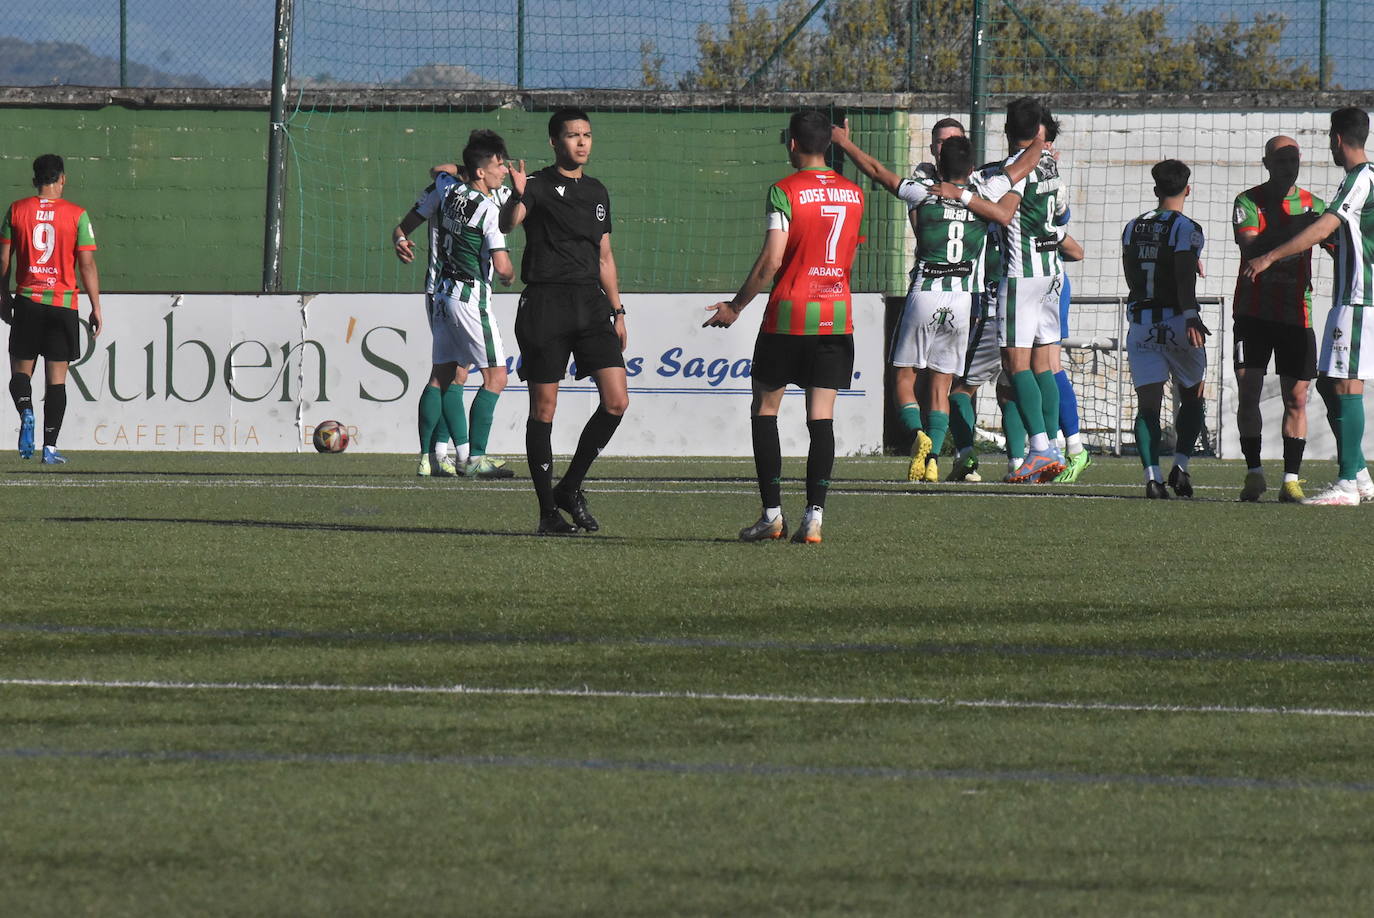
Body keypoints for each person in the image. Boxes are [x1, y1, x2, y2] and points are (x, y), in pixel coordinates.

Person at [831, 118, 1039, 481]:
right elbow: (1020, 167)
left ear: (938, 166)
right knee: (942, 384)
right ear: (972, 168)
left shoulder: (922, 192)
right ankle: (934, 461)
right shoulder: (984, 194)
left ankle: (919, 437)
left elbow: (878, 171)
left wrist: (845, 144)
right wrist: (1039, 140)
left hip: (926, 291)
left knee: (902, 377)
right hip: (962, 302)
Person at [704, 109, 864, 544]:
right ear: (828, 143)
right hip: (835, 319)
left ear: (792, 144)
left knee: (765, 411)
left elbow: (773, 260)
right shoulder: (854, 194)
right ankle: (815, 517)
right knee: (822, 419)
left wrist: (737, 305)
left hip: (788, 317)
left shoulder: (784, 191)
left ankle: (772, 515)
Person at [499, 108, 628, 534]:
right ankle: (546, 513)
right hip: (545, 305)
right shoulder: (533, 184)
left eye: (587, 135)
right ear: (554, 142)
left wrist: (618, 310)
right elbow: (507, 224)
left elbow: (604, 256)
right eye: (573, 135)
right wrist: (517, 196)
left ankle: (570, 487)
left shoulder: (597, 191)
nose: (582, 142)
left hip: (591, 305)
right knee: (544, 408)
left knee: (616, 401)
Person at [1244, 106, 1374, 506]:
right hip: (1350, 297)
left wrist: (1268, 257)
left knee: (1346, 385)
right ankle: (1361, 475)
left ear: (1337, 139)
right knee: (1329, 382)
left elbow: (1326, 225)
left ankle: (1348, 482)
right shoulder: (1359, 180)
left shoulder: (1360, 178)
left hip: (1358, 296)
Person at [393, 130, 516, 480]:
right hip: (469, 295)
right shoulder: (488, 207)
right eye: (499, 164)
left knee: (447, 375)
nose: (504, 170)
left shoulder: (449, 189)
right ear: (481, 170)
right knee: (496, 375)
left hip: (443, 291)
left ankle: (441, 456)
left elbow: (439, 171)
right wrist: (508, 274)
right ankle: (473, 457)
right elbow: (503, 264)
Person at [1231, 136, 1329, 502]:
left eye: (1294, 160)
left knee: (1297, 398)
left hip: (1295, 313)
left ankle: (1291, 479)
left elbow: (1334, 241)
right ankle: (1254, 472)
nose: (1290, 167)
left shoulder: (1314, 205)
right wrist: (1304, 235)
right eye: (1282, 160)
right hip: (1252, 312)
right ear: (1266, 163)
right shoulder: (1248, 200)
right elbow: (1252, 247)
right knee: (1248, 392)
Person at [1, 154, 102, 464]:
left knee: (20, 373)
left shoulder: (17, 210)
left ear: (35, 180)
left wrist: (3, 297)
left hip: (29, 301)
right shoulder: (77, 214)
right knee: (56, 380)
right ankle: (50, 448)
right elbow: (86, 264)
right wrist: (96, 306)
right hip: (63, 304)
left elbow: (4, 259)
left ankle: (26, 410)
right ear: (62, 178)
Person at [1121, 159, 1210, 499]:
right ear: (1188, 189)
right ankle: (1182, 465)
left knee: (1148, 406)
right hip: (1177, 320)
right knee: (1192, 396)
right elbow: (1185, 273)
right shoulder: (1186, 227)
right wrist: (1190, 314)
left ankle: (1152, 477)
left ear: (1156, 189)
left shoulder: (1132, 226)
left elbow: (1132, 273)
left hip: (1141, 321)